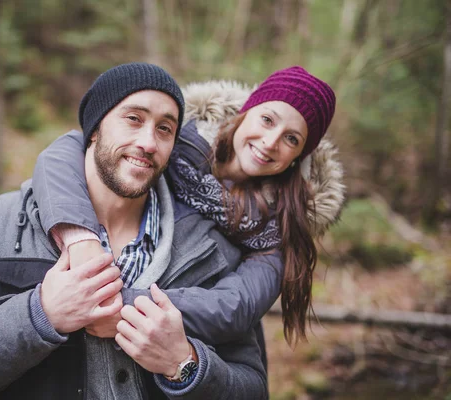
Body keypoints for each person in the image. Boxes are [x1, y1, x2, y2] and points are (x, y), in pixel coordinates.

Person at [0, 62, 271, 400]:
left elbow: (254, 387)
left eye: (165, 128)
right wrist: (40, 316)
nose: (148, 142)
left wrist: (184, 363)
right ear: (96, 128)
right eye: (133, 119)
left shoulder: (210, 248)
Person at [32, 66, 345, 349]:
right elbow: (66, 151)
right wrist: (80, 238)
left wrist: (126, 307)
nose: (270, 141)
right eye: (267, 120)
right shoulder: (178, 142)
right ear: (245, 112)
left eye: (291, 138)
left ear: (297, 158)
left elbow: (235, 307)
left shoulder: (277, 229)